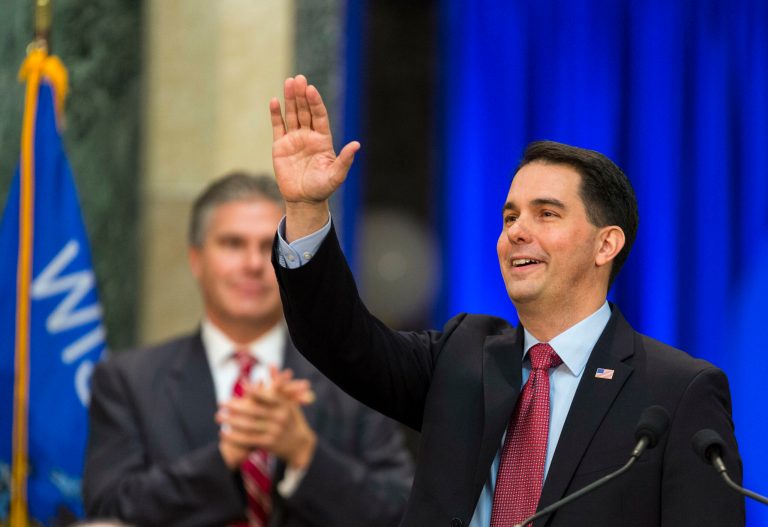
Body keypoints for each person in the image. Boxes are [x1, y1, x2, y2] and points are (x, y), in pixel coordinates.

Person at [268, 75, 745, 527]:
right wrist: (306, 208)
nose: (517, 231)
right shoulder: (461, 355)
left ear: (606, 245)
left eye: (547, 214)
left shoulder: (675, 392)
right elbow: (338, 340)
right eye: (510, 217)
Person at [82, 172, 414, 527]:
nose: (254, 264)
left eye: (268, 246)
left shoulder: (351, 375)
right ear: (196, 259)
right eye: (233, 244)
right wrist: (226, 455)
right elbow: (108, 508)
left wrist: (304, 452)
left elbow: (402, 510)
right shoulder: (128, 381)